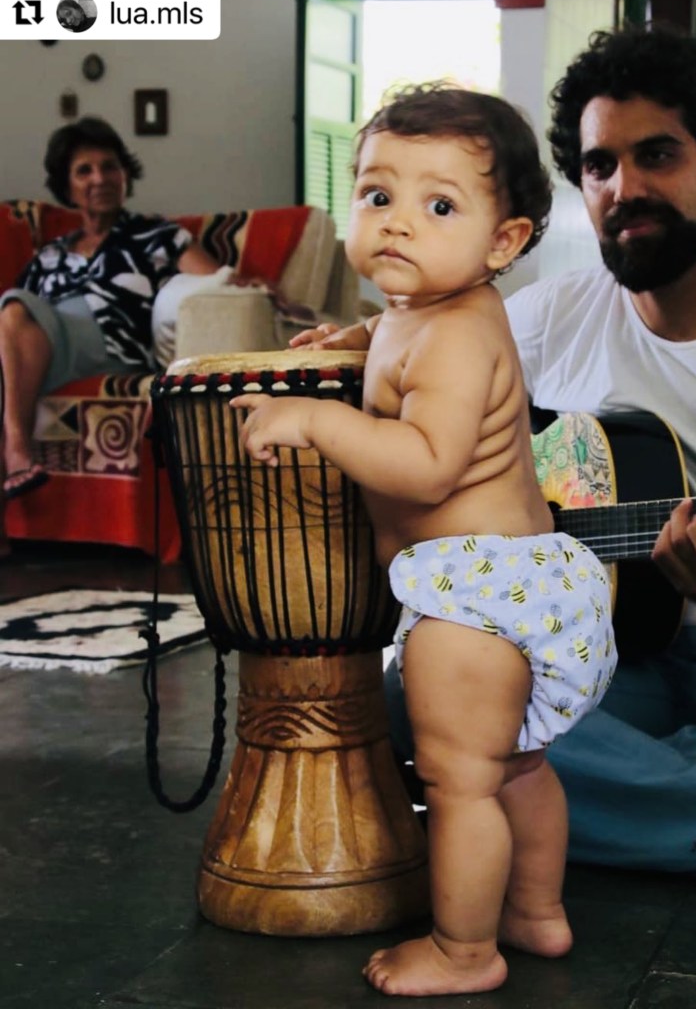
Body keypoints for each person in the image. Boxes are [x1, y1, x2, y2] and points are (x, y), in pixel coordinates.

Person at [307, 27, 696, 888]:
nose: (625, 188)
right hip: (606, 671)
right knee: (409, 693)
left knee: (480, 742)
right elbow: (419, 346)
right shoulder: (542, 317)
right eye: (599, 166)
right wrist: (357, 344)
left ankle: (633, 792)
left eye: (656, 155)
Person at [231, 84, 617, 996]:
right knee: (516, 766)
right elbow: (400, 343)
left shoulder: (454, 337)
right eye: (377, 196)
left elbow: (430, 464)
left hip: (476, 601)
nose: (399, 223)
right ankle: (536, 912)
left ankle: (465, 950)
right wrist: (361, 336)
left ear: (503, 242)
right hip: (518, 580)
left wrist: (314, 423)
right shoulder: (435, 313)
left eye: (438, 205)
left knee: (459, 784)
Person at [0, 116, 219, 555]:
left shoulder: (157, 235)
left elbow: (217, 286)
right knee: (13, 321)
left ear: (125, 174)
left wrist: (263, 292)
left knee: (16, 306)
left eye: (110, 166)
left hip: (109, 345)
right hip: (45, 351)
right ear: (68, 184)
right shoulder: (50, 254)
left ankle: (17, 450)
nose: (99, 178)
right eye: (84, 170)